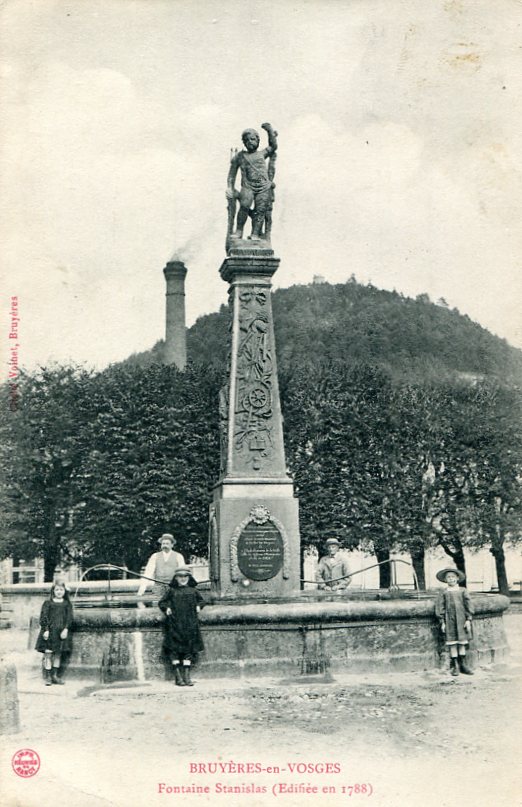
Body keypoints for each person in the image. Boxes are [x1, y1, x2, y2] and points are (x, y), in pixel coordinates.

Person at [226, 122, 278, 241]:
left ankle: (255, 234)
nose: (250, 142)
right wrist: (230, 187)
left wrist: (269, 131)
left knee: (260, 210)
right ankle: (239, 231)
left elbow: (274, 146)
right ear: (244, 142)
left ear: (258, 140)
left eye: (253, 139)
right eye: (247, 140)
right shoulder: (240, 156)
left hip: (264, 187)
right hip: (247, 186)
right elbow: (231, 174)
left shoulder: (262, 154)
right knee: (244, 206)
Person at [158, 566, 205, 687]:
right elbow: (162, 602)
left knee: (188, 650)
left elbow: (201, 601)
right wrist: (167, 608)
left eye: (185, 577)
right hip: (175, 624)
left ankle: (187, 676)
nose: (183, 579)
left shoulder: (193, 590)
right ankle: (177, 676)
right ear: (176, 578)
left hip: (190, 624)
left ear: (189, 578)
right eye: (180, 577)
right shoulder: (172, 591)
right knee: (174, 650)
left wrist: (199, 606)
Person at [435, 567, 474, 676]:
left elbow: (468, 605)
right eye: (448, 577)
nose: (451, 579)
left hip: (462, 619)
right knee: (452, 643)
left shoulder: (463, 590)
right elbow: (440, 607)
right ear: (445, 580)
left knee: (461, 642)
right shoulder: (444, 592)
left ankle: (463, 665)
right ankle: (455, 665)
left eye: (453, 577)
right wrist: (442, 621)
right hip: (449, 620)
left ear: (457, 578)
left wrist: (468, 619)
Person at [35, 581, 73, 686]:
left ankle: (54, 676)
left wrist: (65, 629)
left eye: (61, 589)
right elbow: (43, 617)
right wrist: (46, 630)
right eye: (57, 589)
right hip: (50, 632)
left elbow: (69, 618)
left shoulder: (67, 604)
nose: (59, 592)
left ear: (64, 591)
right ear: (53, 591)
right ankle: (47, 676)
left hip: (60, 633)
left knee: (58, 654)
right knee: (48, 654)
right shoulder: (48, 603)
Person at [137, 533, 185, 600]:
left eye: (167, 544)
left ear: (172, 545)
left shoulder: (178, 556)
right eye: (163, 543)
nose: (164, 545)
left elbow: (183, 573)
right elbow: (148, 572)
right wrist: (141, 590)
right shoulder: (155, 556)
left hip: (173, 586)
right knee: (158, 606)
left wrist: (184, 588)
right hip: (158, 587)